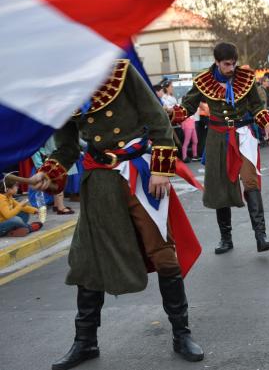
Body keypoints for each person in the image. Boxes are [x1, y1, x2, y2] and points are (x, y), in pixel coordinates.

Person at [28, 59, 204, 369]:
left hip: (140, 173)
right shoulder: (64, 92)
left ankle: (181, 333)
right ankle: (85, 342)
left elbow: (158, 122)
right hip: (99, 180)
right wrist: (48, 172)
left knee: (163, 254)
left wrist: (162, 169)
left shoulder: (120, 71)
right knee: (88, 259)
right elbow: (67, 149)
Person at [175, 42, 269, 255]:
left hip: (242, 135)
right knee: (220, 188)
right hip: (217, 137)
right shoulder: (204, 81)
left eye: (233, 63)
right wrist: (171, 114)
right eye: (227, 64)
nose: (231, 68)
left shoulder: (245, 79)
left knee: (250, 181)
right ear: (217, 62)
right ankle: (226, 238)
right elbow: (188, 106)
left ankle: (261, 236)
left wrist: (267, 123)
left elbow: (257, 106)